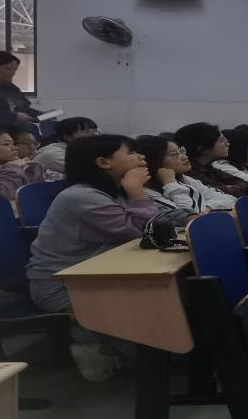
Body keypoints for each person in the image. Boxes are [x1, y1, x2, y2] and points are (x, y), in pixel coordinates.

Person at [25, 134, 156, 382]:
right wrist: (137, 192)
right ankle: (97, 343)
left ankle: (102, 341)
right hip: (61, 285)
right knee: (150, 336)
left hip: (95, 277)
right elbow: (141, 234)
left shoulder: (112, 191)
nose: (141, 157)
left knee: (163, 298)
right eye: (131, 153)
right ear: (104, 162)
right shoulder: (82, 197)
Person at [136, 135, 232, 218]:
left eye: (181, 151)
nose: (185, 157)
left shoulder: (184, 179)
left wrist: (208, 207)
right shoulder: (147, 193)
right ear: (154, 161)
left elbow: (229, 199)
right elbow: (188, 216)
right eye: (174, 154)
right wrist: (171, 184)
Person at [172, 122, 248, 198]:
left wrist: (231, 188)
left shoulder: (209, 167)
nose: (228, 144)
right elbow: (225, 193)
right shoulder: (190, 172)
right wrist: (231, 188)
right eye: (221, 140)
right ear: (202, 148)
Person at [0, 125, 47, 201]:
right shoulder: (11, 168)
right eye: (6, 144)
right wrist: (11, 167)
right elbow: (3, 197)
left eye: (13, 144)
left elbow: (36, 193)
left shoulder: (14, 165)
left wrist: (31, 168)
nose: (15, 148)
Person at [33, 117, 100, 174]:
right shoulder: (53, 153)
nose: (94, 135)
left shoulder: (78, 151)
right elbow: (89, 172)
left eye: (95, 131)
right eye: (86, 131)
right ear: (67, 137)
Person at [0, 50, 39, 129]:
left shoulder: (13, 89)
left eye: (15, 70)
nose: (13, 73)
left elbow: (25, 109)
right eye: (8, 69)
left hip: (14, 129)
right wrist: (14, 117)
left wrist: (41, 114)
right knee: (5, 137)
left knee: (30, 136)